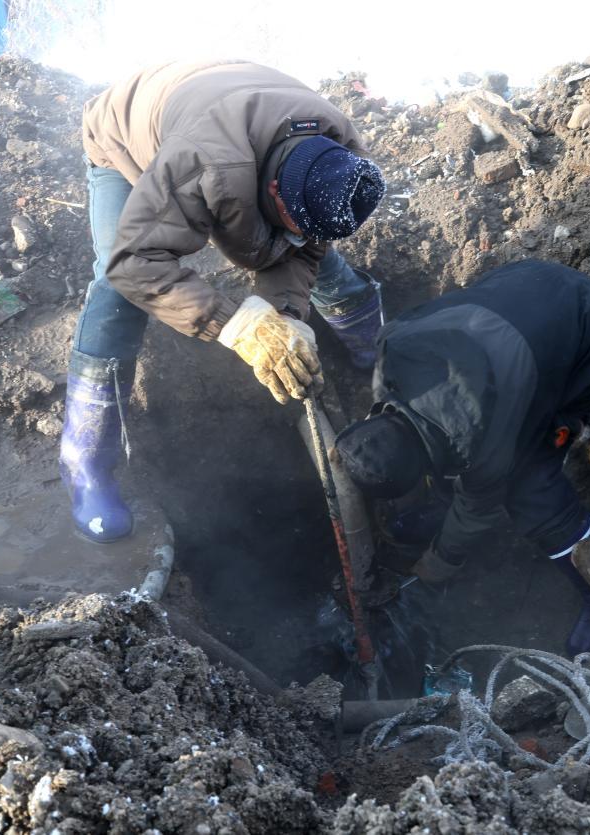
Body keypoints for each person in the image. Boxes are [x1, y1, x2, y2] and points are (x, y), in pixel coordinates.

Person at [62, 61, 386, 543]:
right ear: (273, 191)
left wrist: (285, 317)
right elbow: (136, 263)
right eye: (292, 220)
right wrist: (237, 325)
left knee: (321, 260)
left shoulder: (344, 160)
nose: (302, 235)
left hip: (220, 109)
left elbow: (306, 243)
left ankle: (375, 355)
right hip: (126, 134)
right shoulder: (205, 163)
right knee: (116, 289)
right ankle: (84, 463)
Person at [333, 260, 590, 656]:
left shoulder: (486, 451)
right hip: (531, 280)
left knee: (529, 488)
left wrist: (440, 561)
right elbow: (419, 428)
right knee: (454, 456)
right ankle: (444, 507)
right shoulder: (393, 343)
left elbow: (479, 507)